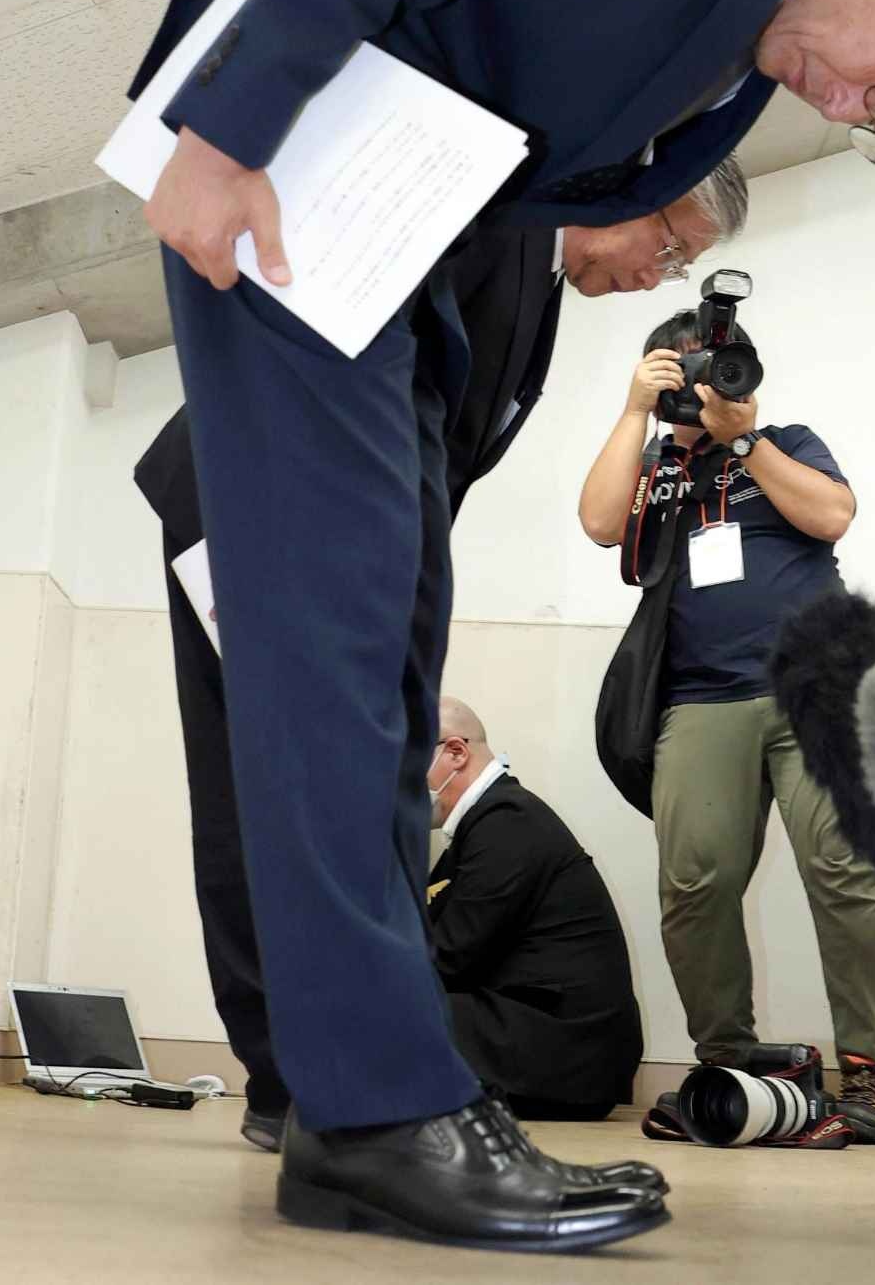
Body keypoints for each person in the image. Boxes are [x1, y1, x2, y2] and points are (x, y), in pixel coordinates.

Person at [132, 0, 875, 1252]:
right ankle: (377, 1117)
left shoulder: (730, 73)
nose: (848, 107)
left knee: (388, 690)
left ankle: (369, 1106)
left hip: (391, 275)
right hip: (294, 185)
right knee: (330, 681)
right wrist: (224, 129)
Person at [133, 167, 744, 1151]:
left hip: (310, 521)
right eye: (670, 248)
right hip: (265, 501)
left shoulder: (538, 277)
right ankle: (296, 1084)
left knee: (306, 797)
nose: (657, 277)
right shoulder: (496, 225)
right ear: (639, 185)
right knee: (272, 798)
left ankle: (308, 1081)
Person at [579, 310, 875, 1145]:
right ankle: (726, 1062)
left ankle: (874, 1074)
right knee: (693, 882)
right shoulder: (654, 467)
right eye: (684, 371)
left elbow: (833, 516)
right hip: (699, 696)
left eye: (715, 368)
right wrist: (633, 411)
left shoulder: (787, 441)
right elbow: (599, 523)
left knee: (848, 870)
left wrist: (745, 438)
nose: (703, 386)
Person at [428, 698, 643, 1121]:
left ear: (455, 752)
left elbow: (449, 956)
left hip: (563, 1051)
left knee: (382, 1012)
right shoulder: (490, 823)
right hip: (548, 1038)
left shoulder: (507, 822)